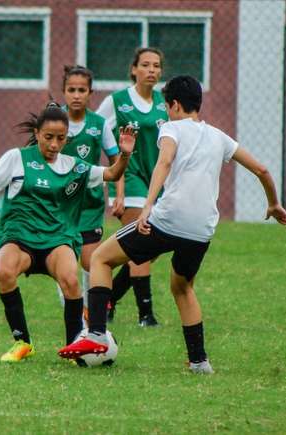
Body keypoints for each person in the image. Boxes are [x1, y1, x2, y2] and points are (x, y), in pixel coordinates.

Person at [58, 76, 286, 373]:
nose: (165, 112)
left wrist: (147, 206)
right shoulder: (220, 136)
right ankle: (199, 361)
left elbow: (164, 162)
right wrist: (273, 203)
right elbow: (262, 168)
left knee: (102, 258)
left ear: (175, 105)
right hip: (202, 230)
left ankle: (96, 336)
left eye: (166, 107)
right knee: (182, 287)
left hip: (168, 220)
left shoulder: (171, 128)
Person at [0, 102, 135, 362]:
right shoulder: (17, 158)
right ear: (37, 132)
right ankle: (22, 342)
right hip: (19, 237)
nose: (54, 144)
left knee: (71, 280)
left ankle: (74, 344)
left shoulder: (75, 167)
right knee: (5, 271)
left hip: (57, 239)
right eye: (48, 138)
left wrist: (124, 155)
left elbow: (111, 173)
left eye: (61, 138)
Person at [96, 47, 169, 326]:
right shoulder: (117, 101)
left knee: (148, 248)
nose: (152, 70)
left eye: (157, 65)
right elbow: (99, 132)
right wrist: (117, 187)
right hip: (131, 180)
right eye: (146, 65)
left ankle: (110, 297)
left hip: (158, 181)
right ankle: (146, 314)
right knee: (143, 239)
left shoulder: (165, 103)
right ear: (134, 69)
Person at [54, 65, 120, 311]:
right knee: (66, 262)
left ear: (91, 93)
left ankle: (90, 309)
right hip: (59, 204)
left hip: (90, 204)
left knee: (90, 262)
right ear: (63, 91)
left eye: (82, 90)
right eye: (71, 89)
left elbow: (116, 163)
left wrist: (118, 194)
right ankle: (74, 311)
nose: (77, 95)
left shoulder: (99, 124)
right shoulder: (54, 121)